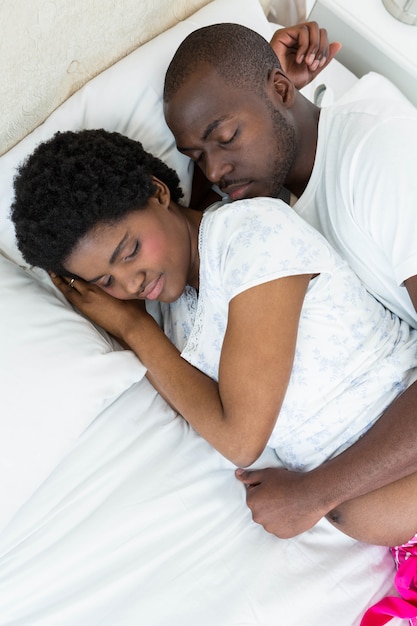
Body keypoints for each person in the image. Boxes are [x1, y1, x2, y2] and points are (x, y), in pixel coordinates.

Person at [10, 128, 417, 552]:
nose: (132, 282)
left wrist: (134, 329)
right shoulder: (172, 315)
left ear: (157, 192)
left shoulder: (249, 237)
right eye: (106, 281)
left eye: (129, 251)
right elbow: (205, 416)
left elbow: (240, 439)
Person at [161, 21, 417, 541]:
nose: (215, 171)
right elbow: (213, 233)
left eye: (226, 137)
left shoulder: (379, 152)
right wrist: (267, 99)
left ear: (281, 91)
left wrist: (316, 493)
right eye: (196, 157)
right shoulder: (270, 195)